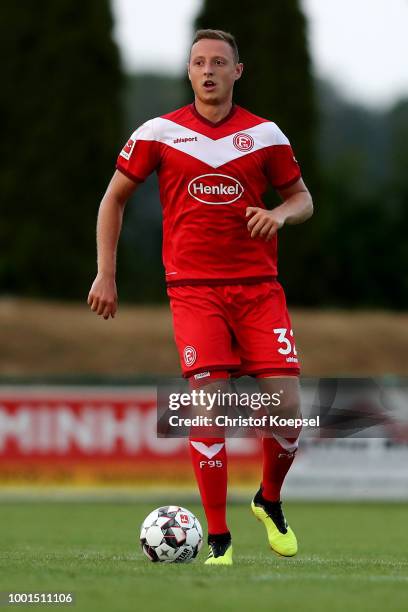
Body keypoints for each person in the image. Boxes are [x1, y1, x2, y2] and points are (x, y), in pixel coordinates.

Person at [88, 29, 313, 565]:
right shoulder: (159, 132)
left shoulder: (266, 135)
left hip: (259, 291)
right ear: (189, 72)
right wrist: (106, 274)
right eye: (198, 62)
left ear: (238, 71)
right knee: (207, 407)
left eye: (219, 62)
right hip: (193, 291)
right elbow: (113, 199)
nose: (207, 70)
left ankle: (269, 499)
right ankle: (218, 539)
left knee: (286, 410)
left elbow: (302, 198)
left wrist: (279, 214)